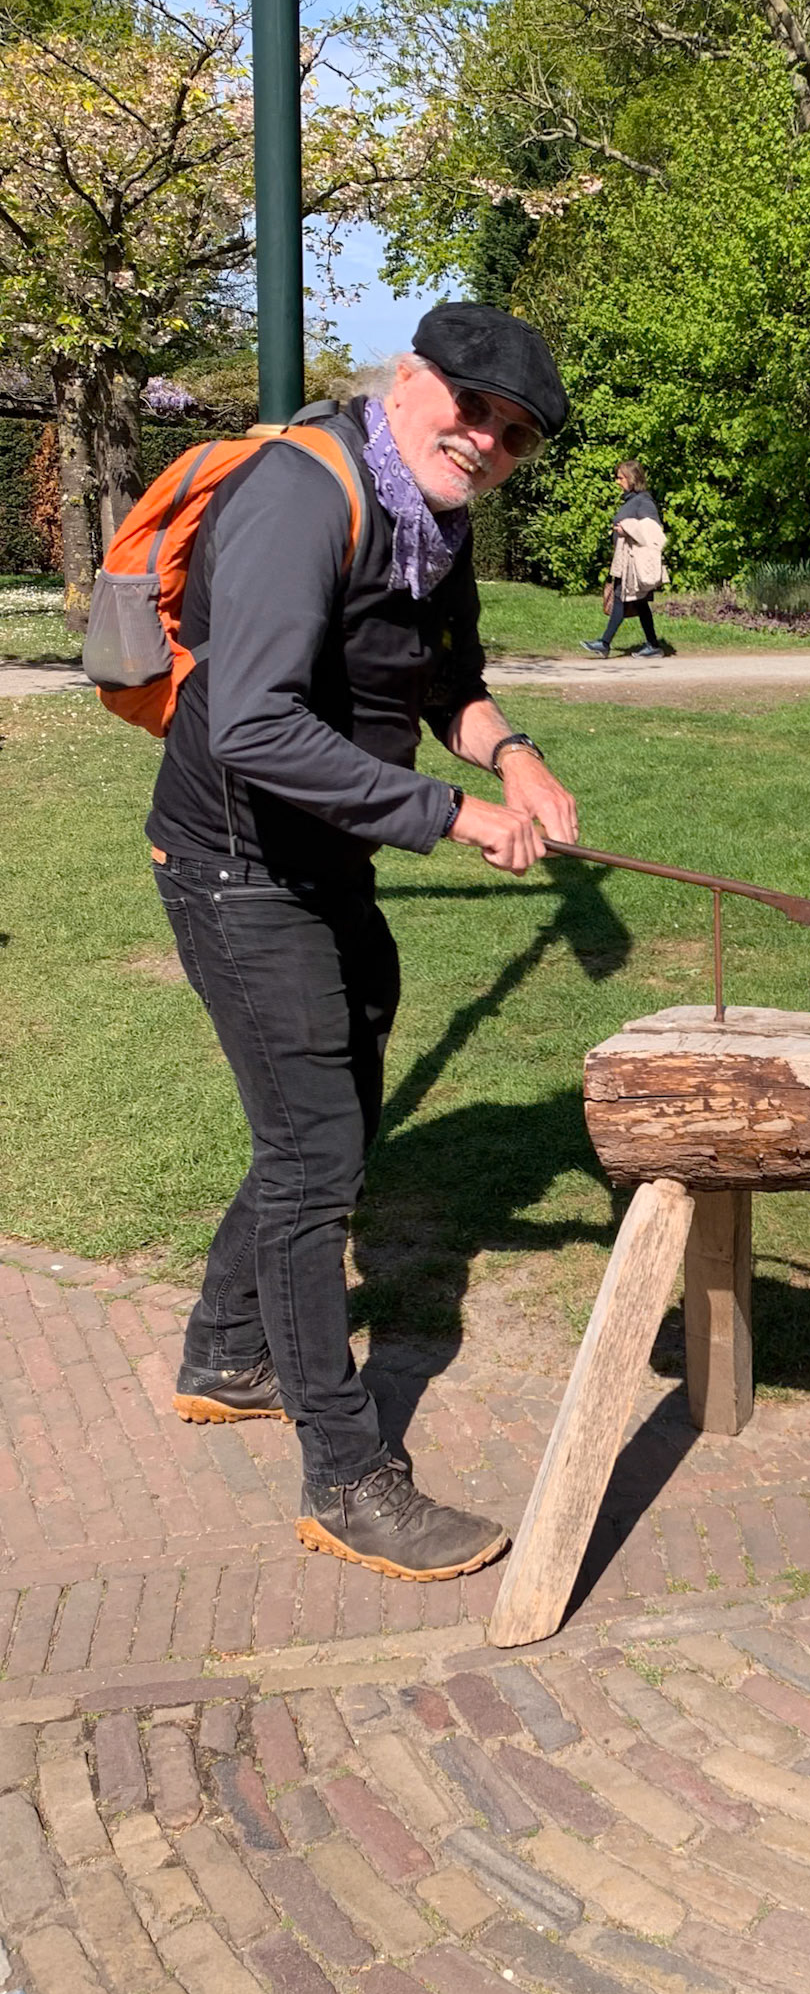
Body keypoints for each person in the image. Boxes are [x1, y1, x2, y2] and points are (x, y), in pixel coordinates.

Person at [149, 302, 579, 1582]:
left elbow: (446, 683)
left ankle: (227, 1350)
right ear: (409, 380)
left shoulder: (436, 522)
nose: (486, 440)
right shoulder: (303, 494)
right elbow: (253, 725)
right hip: (234, 865)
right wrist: (451, 814)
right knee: (312, 1158)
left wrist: (514, 755)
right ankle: (345, 1475)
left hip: (327, 859)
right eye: (472, 407)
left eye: (513, 435)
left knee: (338, 1105)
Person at [581, 461, 668, 660]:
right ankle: (652, 645)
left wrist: (627, 529)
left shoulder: (643, 502)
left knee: (622, 598)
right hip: (625, 561)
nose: (617, 481)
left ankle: (605, 643)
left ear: (632, 479)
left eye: (621, 478)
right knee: (638, 603)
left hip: (635, 563)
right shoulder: (631, 501)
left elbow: (653, 531)